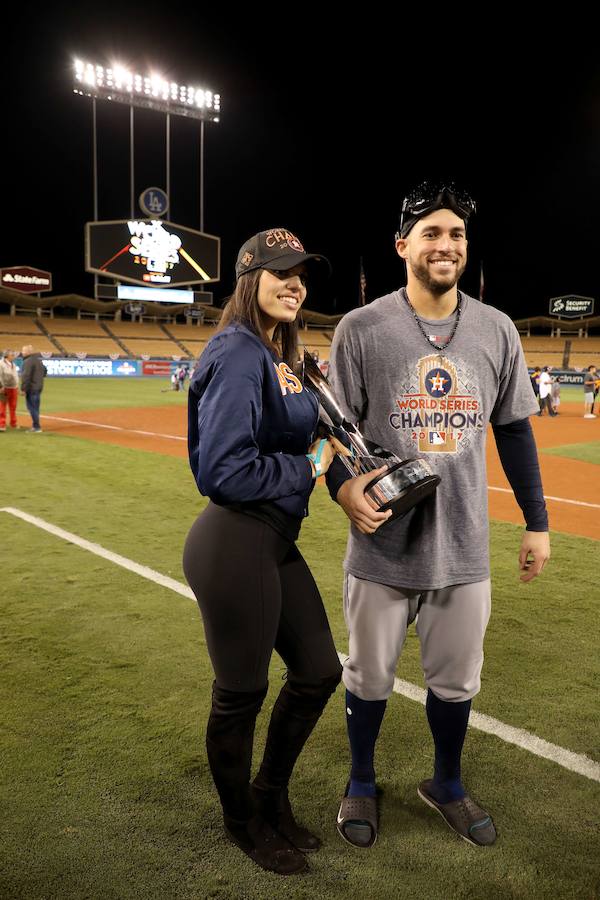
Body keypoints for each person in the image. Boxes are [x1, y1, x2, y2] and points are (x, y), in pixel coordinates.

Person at [326, 182, 550, 850]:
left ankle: (446, 783)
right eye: (431, 233)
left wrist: (536, 522)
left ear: (465, 247)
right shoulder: (361, 328)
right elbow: (333, 434)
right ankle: (362, 779)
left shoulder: (497, 329)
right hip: (382, 548)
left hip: (464, 547)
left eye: (455, 234)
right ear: (403, 246)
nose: (445, 244)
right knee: (368, 676)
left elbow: (513, 431)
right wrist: (343, 488)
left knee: (456, 682)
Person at [183, 228, 343, 876]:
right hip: (235, 540)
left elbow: (312, 433)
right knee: (241, 693)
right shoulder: (238, 350)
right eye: (280, 272)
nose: (295, 283)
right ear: (250, 278)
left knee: (318, 671)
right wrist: (306, 468)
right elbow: (222, 470)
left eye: (301, 274)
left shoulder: (278, 354)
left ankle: (268, 797)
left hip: (272, 541)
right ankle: (242, 823)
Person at [20, 345, 46, 432]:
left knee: (31, 407)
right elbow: (45, 371)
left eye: (23, 351)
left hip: (31, 388)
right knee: (36, 407)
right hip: (39, 387)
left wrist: (23, 389)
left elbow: (26, 376)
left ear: (28, 352)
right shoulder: (38, 360)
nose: (22, 352)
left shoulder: (27, 361)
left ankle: (36, 427)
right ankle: (36, 425)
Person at [0, 349, 20, 431]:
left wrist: (17, 386)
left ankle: (13, 423)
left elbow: (15, 376)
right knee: (2, 407)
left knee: (13, 406)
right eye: (12, 355)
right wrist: (0, 386)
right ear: (6, 356)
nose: (14, 356)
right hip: (4, 388)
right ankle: (2, 424)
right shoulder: (1, 364)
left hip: (13, 388)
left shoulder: (13, 364)